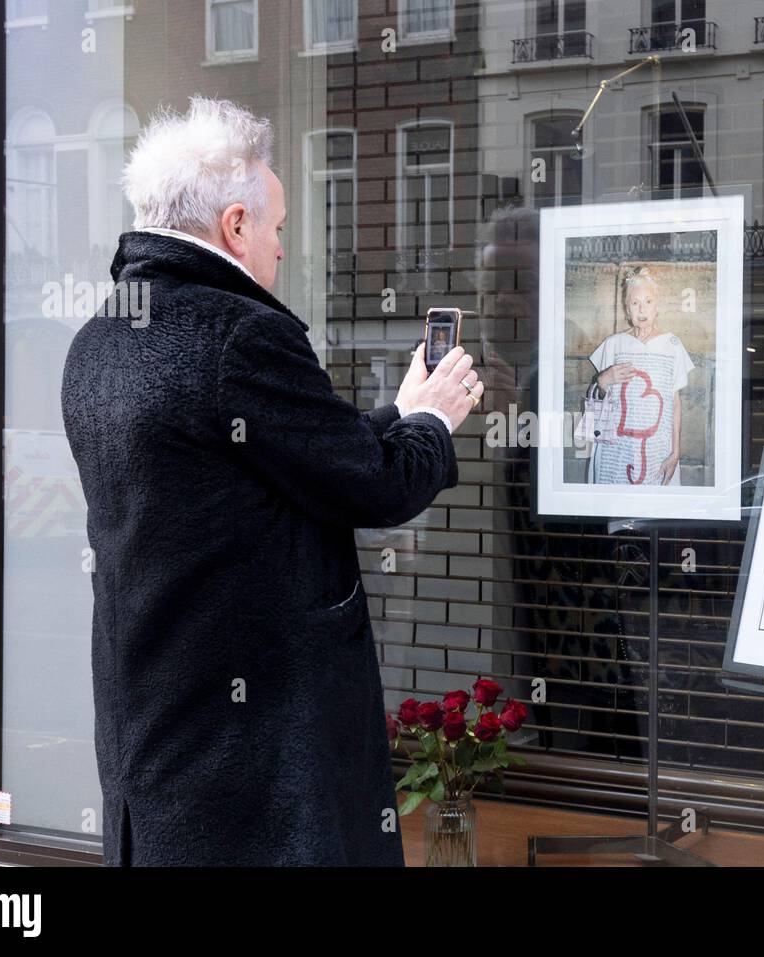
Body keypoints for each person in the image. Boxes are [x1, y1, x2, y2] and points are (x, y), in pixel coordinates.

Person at [59, 96, 485, 866]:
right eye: (279, 227)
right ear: (234, 226)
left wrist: (398, 408)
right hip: (255, 762)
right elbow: (376, 487)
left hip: (155, 743)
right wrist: (433, 421)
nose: (283, 249)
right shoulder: (238, 333)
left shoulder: (97, 341)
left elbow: (290, 455)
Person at [585, 267, 695, 485]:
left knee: (653, 514)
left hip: (657, 450)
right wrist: (603, 380)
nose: (642, 309)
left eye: (648, 301)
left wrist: (675, 453)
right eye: (635, 303)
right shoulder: (613, 344)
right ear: (627, 309)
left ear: (657, 307)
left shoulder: (671, 345)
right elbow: (595, 405)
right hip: (615, 452)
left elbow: (674, 402)